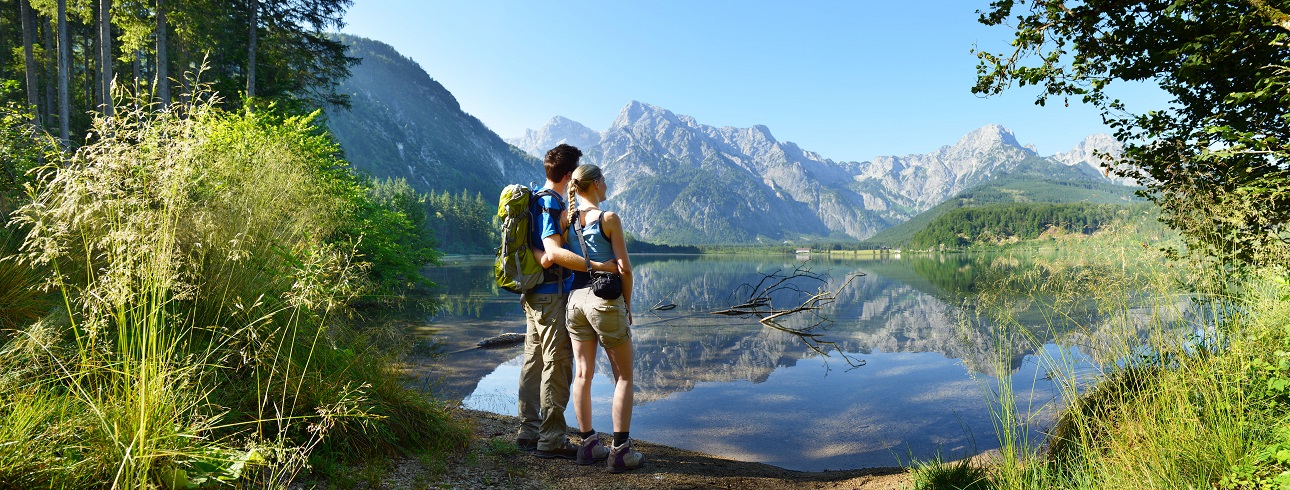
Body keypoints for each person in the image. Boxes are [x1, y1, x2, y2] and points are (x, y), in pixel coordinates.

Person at [560, 163, 643, 473]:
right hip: (604, 301)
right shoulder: (608, 219)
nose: (607, 185)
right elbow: (625, 269)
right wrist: (628, 305)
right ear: (594, 184)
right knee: (624, 376)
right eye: (604, 180)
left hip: (575, 302)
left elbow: (567, 258)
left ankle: (588, 444)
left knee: (583, 374)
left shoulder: (567, 220)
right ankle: (620, 450)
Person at [515, 144, 593, 460]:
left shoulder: (535, 198)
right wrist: (597, 268)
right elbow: (551, 254)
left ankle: (528, 432)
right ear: (569, 174)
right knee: (557, 362)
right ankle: (551, 439)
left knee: (533, 361)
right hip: (549, 295)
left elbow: (539, 251)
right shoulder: (549, 203)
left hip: (533, 294)